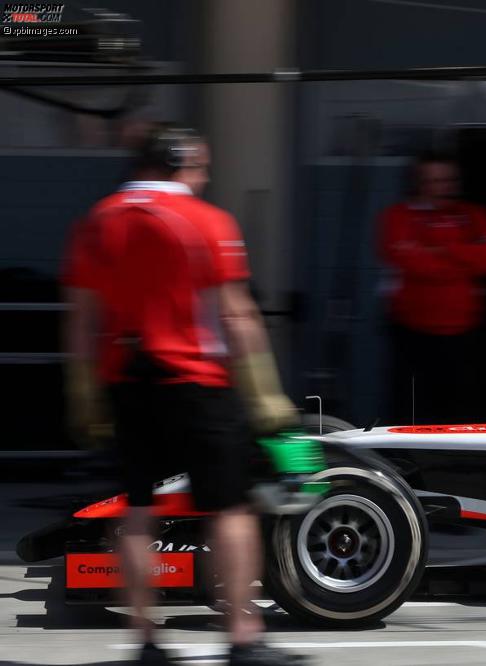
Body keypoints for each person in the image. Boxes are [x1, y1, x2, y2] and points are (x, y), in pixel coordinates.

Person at [62, 126, 302, 665]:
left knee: (139, 510)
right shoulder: (207, 221)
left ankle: (146, 639)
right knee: (231, 508)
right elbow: (237, 314)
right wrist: (266, 393)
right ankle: (243, 634)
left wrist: (84, 392)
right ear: (180, 162)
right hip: (198, 382)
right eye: (200, 167)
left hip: (126, 381)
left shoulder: (96, 222)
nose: (205, 177)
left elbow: (81, 318)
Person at [379, 151, 486, 424]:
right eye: (434, 181)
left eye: (448, 180)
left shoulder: (475, 215)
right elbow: (412, 262)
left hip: (465, 332)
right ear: (419, 183)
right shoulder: (398, 216)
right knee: (410, 406)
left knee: (463, 406)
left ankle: (460, 462)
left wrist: (440, 247)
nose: (442, 188)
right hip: (412, 331)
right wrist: (465, 257)